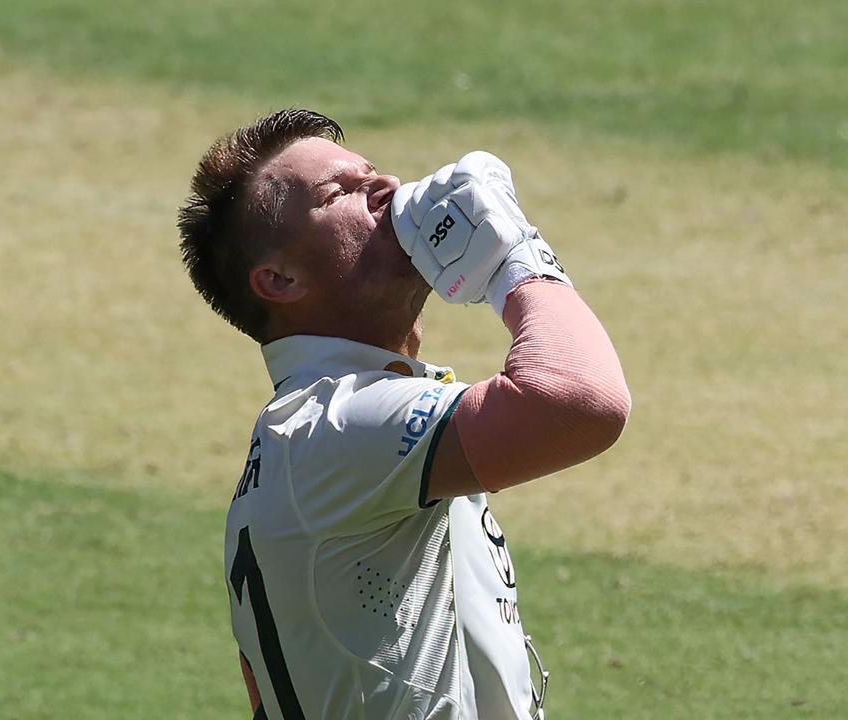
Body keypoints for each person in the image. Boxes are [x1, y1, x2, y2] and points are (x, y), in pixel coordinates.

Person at [176, 109, 631, 719]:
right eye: (341, 192)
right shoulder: (339, 423)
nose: (386, 186)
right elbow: (577, 403)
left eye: (371, 172)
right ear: (279, 279)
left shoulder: (308, 435)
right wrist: (515, 260)